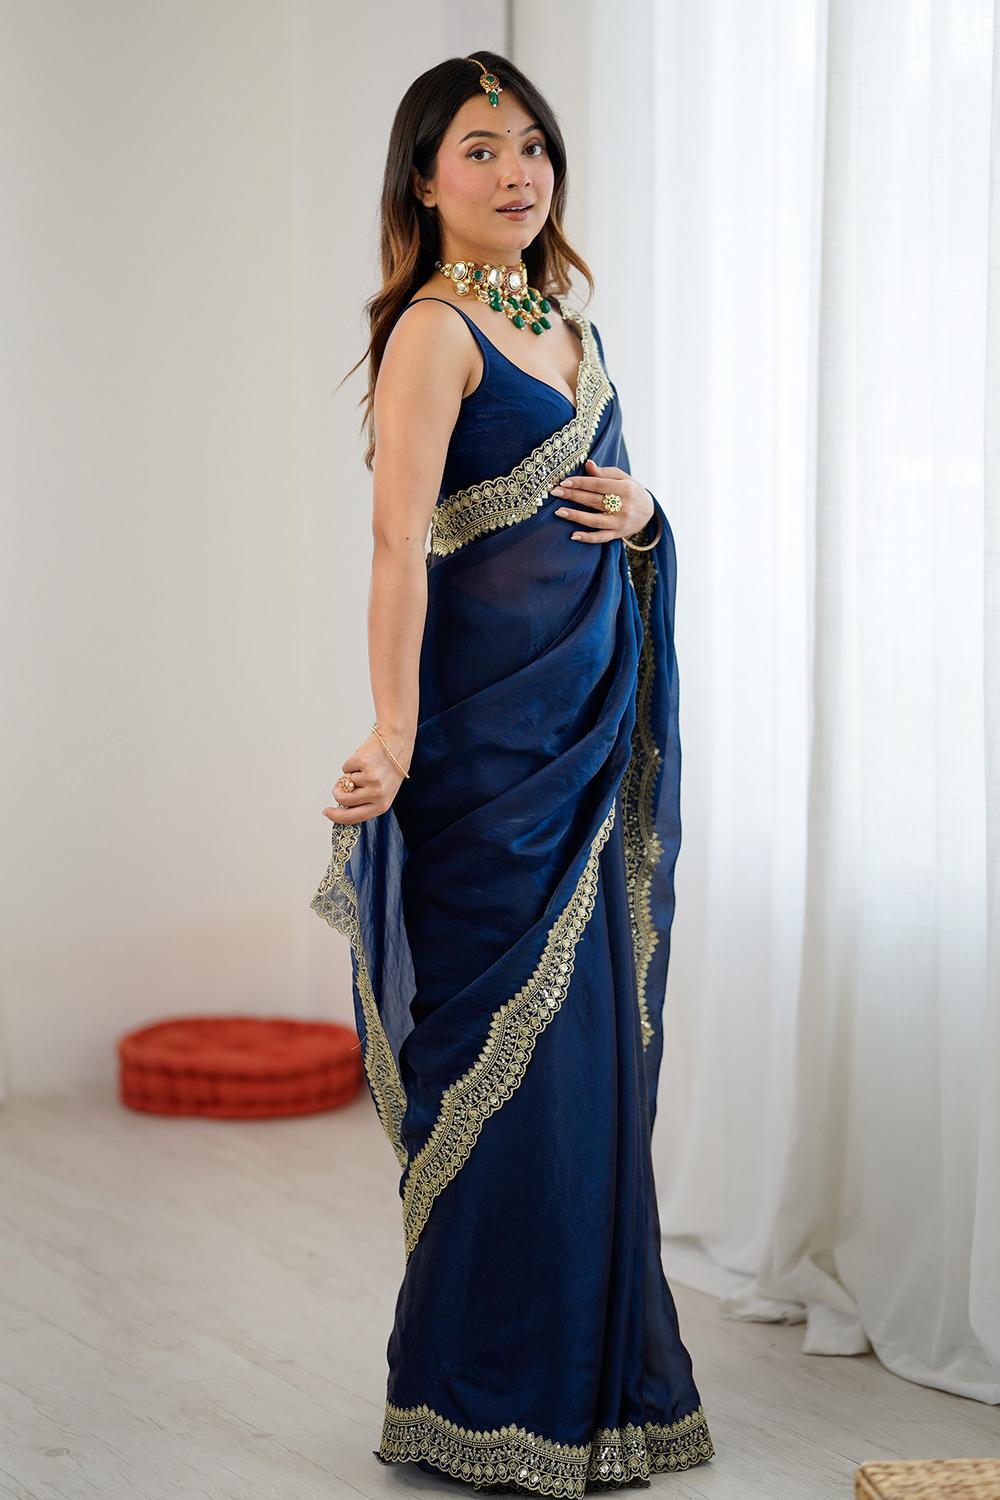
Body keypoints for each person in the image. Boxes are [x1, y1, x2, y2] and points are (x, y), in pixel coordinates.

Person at [311, 50, 716, 1496]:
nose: (516, 172)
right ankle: (480, 1401)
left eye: (531, 144)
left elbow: (615, 501)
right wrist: (394, 730)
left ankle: (596, 1403)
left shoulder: (564, 319)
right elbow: (395, 545)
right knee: (508, 1079)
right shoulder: (436, 331)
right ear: (425, 181)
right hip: (490, 763)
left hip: (585, 742)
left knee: (590, 1072)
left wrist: (647, 510)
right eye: (479, 150)